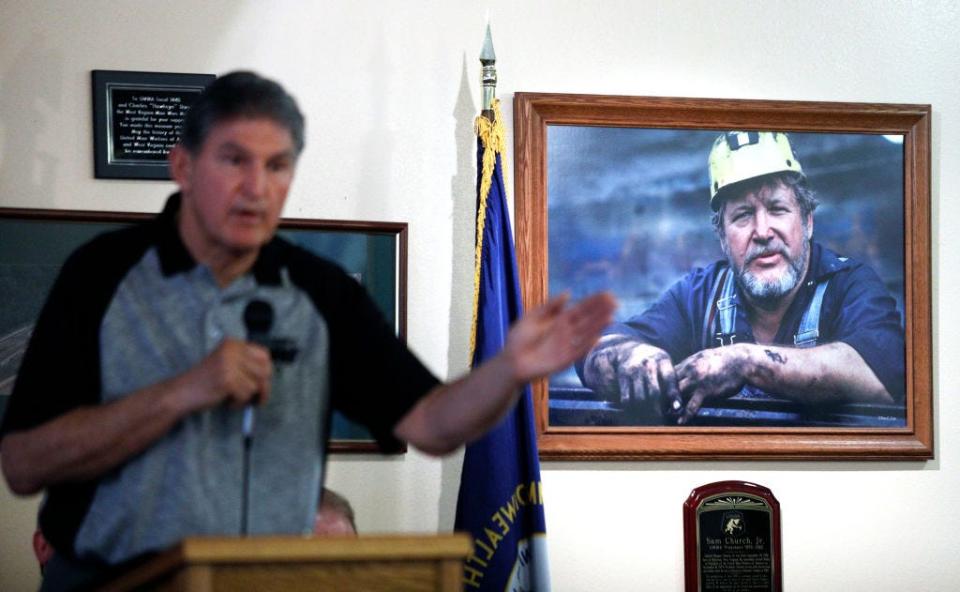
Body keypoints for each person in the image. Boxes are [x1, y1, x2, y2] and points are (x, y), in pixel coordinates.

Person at [0, 71, 616, 590]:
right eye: (234, 161)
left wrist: (506, 371)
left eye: (277, 166)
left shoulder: (320, 292)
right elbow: (23, 464)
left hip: (263, 580)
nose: (256, 188)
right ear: (183, 166)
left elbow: (431, 423)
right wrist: (180, 393)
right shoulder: (101, 274)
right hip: (106, 580)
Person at [580, 130, 904, 425]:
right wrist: (632, 358)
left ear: (807, 222)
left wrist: (744, 361)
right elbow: (592, 348)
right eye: (743, 215)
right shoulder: (699, 296)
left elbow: (883, 376)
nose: (762, 232)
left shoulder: (848, 284)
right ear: (722, 237)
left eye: (777, 209)